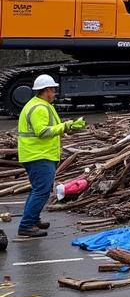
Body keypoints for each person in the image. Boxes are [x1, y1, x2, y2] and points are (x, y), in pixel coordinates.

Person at [17, 74, 86, 238]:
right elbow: (42, 132)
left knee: (38, 190)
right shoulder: (39, 108)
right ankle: (26, 225)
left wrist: (67, 127)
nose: (55, 92)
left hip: (37, 154)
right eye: (53, 89)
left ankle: (32, 219)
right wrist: (66, 126)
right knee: (41, 191)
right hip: (39, 155)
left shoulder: (38, 104)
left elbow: (51, 128)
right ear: (46, 90)